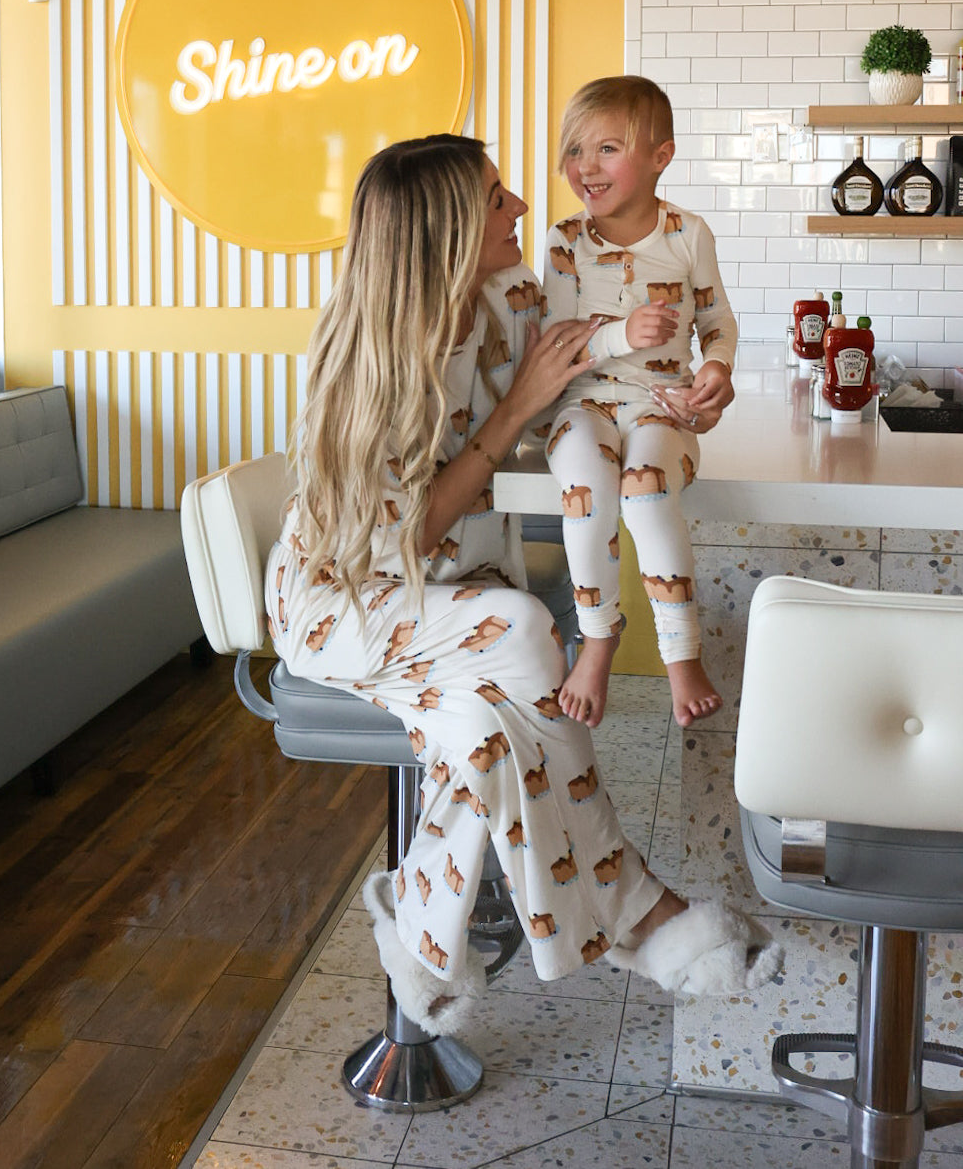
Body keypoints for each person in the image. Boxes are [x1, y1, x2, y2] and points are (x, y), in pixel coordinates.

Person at [264, 133, 780, 1033]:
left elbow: (605, 365)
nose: (520, 209)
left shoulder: (511, 298)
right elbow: (405, 538)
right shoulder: (371, 365)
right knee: (521, 626)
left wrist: (698, 388)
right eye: (496, 198)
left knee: (487, 737)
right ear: (448, 228)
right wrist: (512, 410)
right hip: (346, 605)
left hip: (449, 600)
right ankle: (641, 914)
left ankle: (420, 931)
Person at [542, 77, 737, 730]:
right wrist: (620, 334)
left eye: (606, 149)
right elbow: (557, 342)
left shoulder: (687, 233)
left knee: (647, 491)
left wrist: (716, 366)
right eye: (575, 150)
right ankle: (597, 637)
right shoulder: (565, 239)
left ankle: (681, 654)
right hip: (583, 402)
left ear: (660, 157)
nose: (585, 167)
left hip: (662, 403)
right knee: (587, 486)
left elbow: (716, 319)